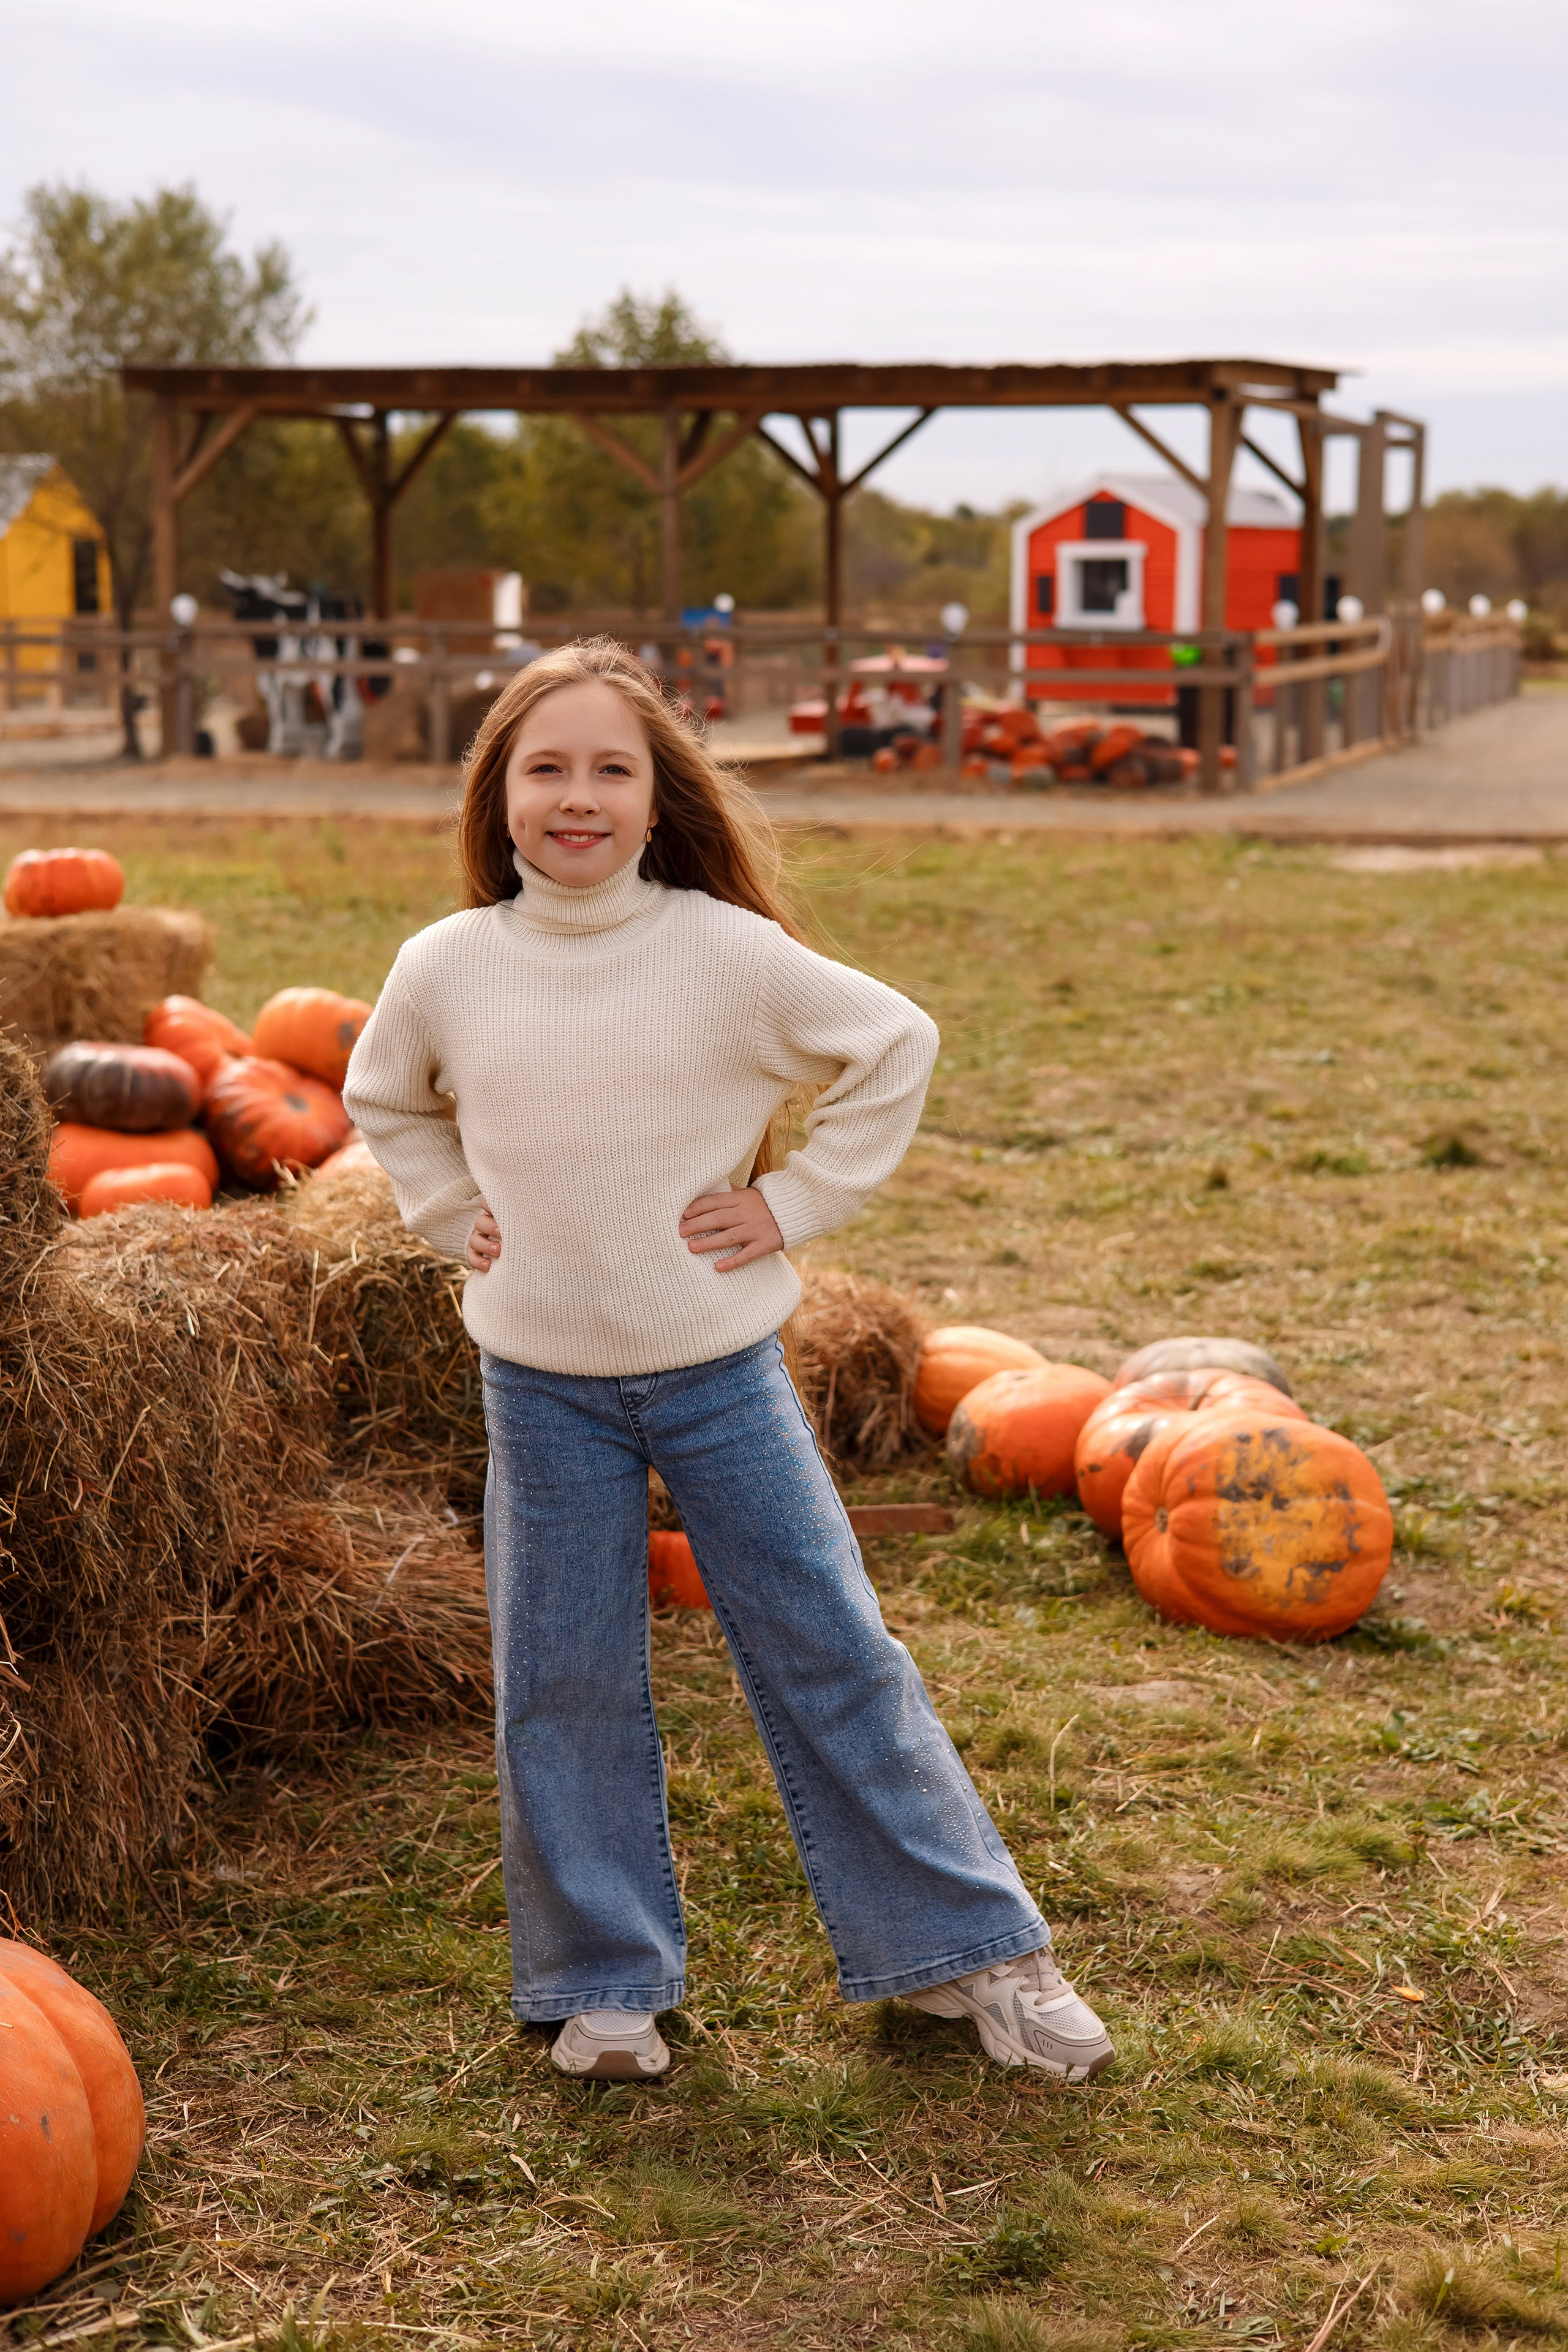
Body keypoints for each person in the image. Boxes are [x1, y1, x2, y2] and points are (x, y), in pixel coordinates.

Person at [344, 639, 1114, 2087]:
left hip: (716, 1372)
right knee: (561, 1677)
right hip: (540, 1385)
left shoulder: (717, 952)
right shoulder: (446, 967)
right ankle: (602, 1980)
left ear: (655, 797)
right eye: (546, 768)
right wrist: (449, 1215)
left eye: (611, 770)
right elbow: (382, 1095)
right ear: (496, 793)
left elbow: (896, 1041)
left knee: (830, 1648)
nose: (578, 798)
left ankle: (965, 1956)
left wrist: (790, 1205)